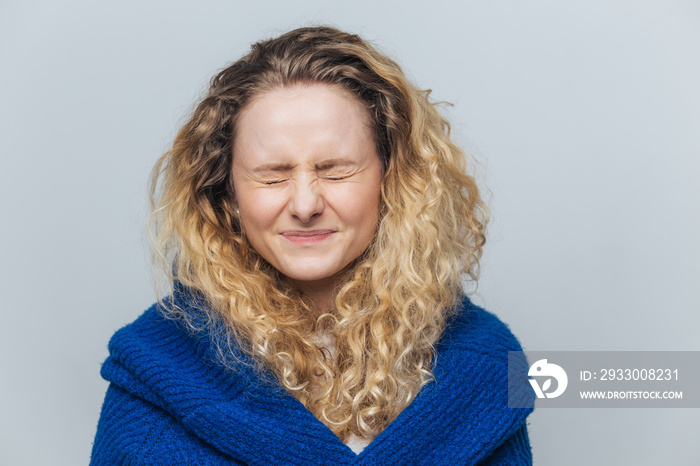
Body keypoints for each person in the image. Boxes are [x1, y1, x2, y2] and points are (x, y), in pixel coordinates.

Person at [91, 26, 534, 465]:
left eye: (335, 169)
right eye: (272, 173)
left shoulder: (486, 364)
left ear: (392, 178)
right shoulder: (155, 370)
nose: (305, 204)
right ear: (227, 192)